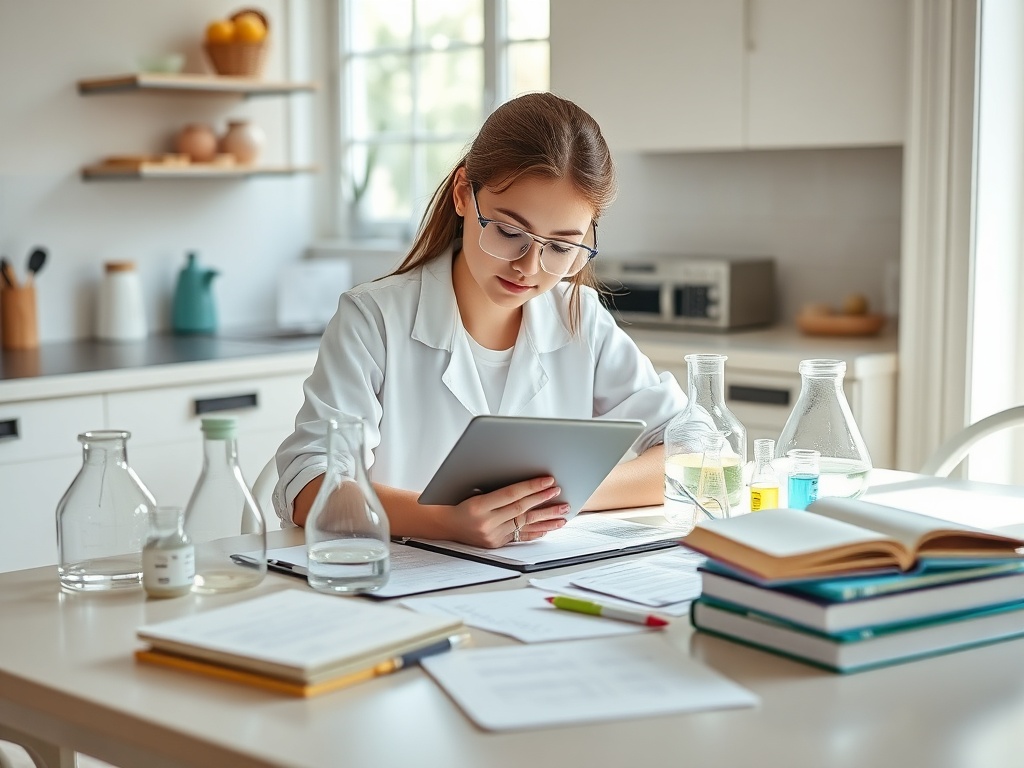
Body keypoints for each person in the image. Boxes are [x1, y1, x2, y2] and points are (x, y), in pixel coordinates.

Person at [274, 92, 700, 549]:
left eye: (560, 247)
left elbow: (696, 448)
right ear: (463, 195)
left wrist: (557, 497)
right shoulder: (374, 319)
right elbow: (308, 487)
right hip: (398, 583)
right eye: (510, 232)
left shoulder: (579, 317)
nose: (529, 267)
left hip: (533, 588)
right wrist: (443, 521)